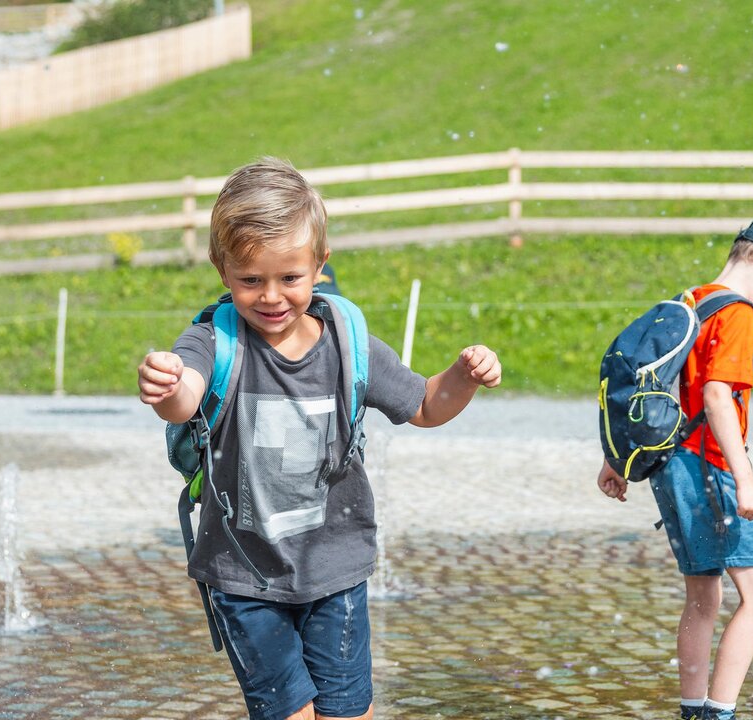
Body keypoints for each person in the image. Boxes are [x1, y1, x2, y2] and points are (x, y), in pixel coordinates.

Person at [137, 157, 501, 720]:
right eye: (250, 280)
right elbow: (186, 396)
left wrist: (463, 375)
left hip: (336, 570)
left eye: (290, 278)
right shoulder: (212, 340)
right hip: (244, 577)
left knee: (350, 714)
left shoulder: (348, 342)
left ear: (319, 264)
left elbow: (427, 405)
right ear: (222, 269)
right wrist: (166, 384)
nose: (271, 297)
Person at [596, 219, 753, 720]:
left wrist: (616, 458)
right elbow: (716, 397)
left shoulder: (693, 300)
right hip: (709, 468)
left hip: (669, 466)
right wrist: (745, 479)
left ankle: (692, 709)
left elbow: (655, 385)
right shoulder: (737, 314)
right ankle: (719, 713)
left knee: (703, 595)